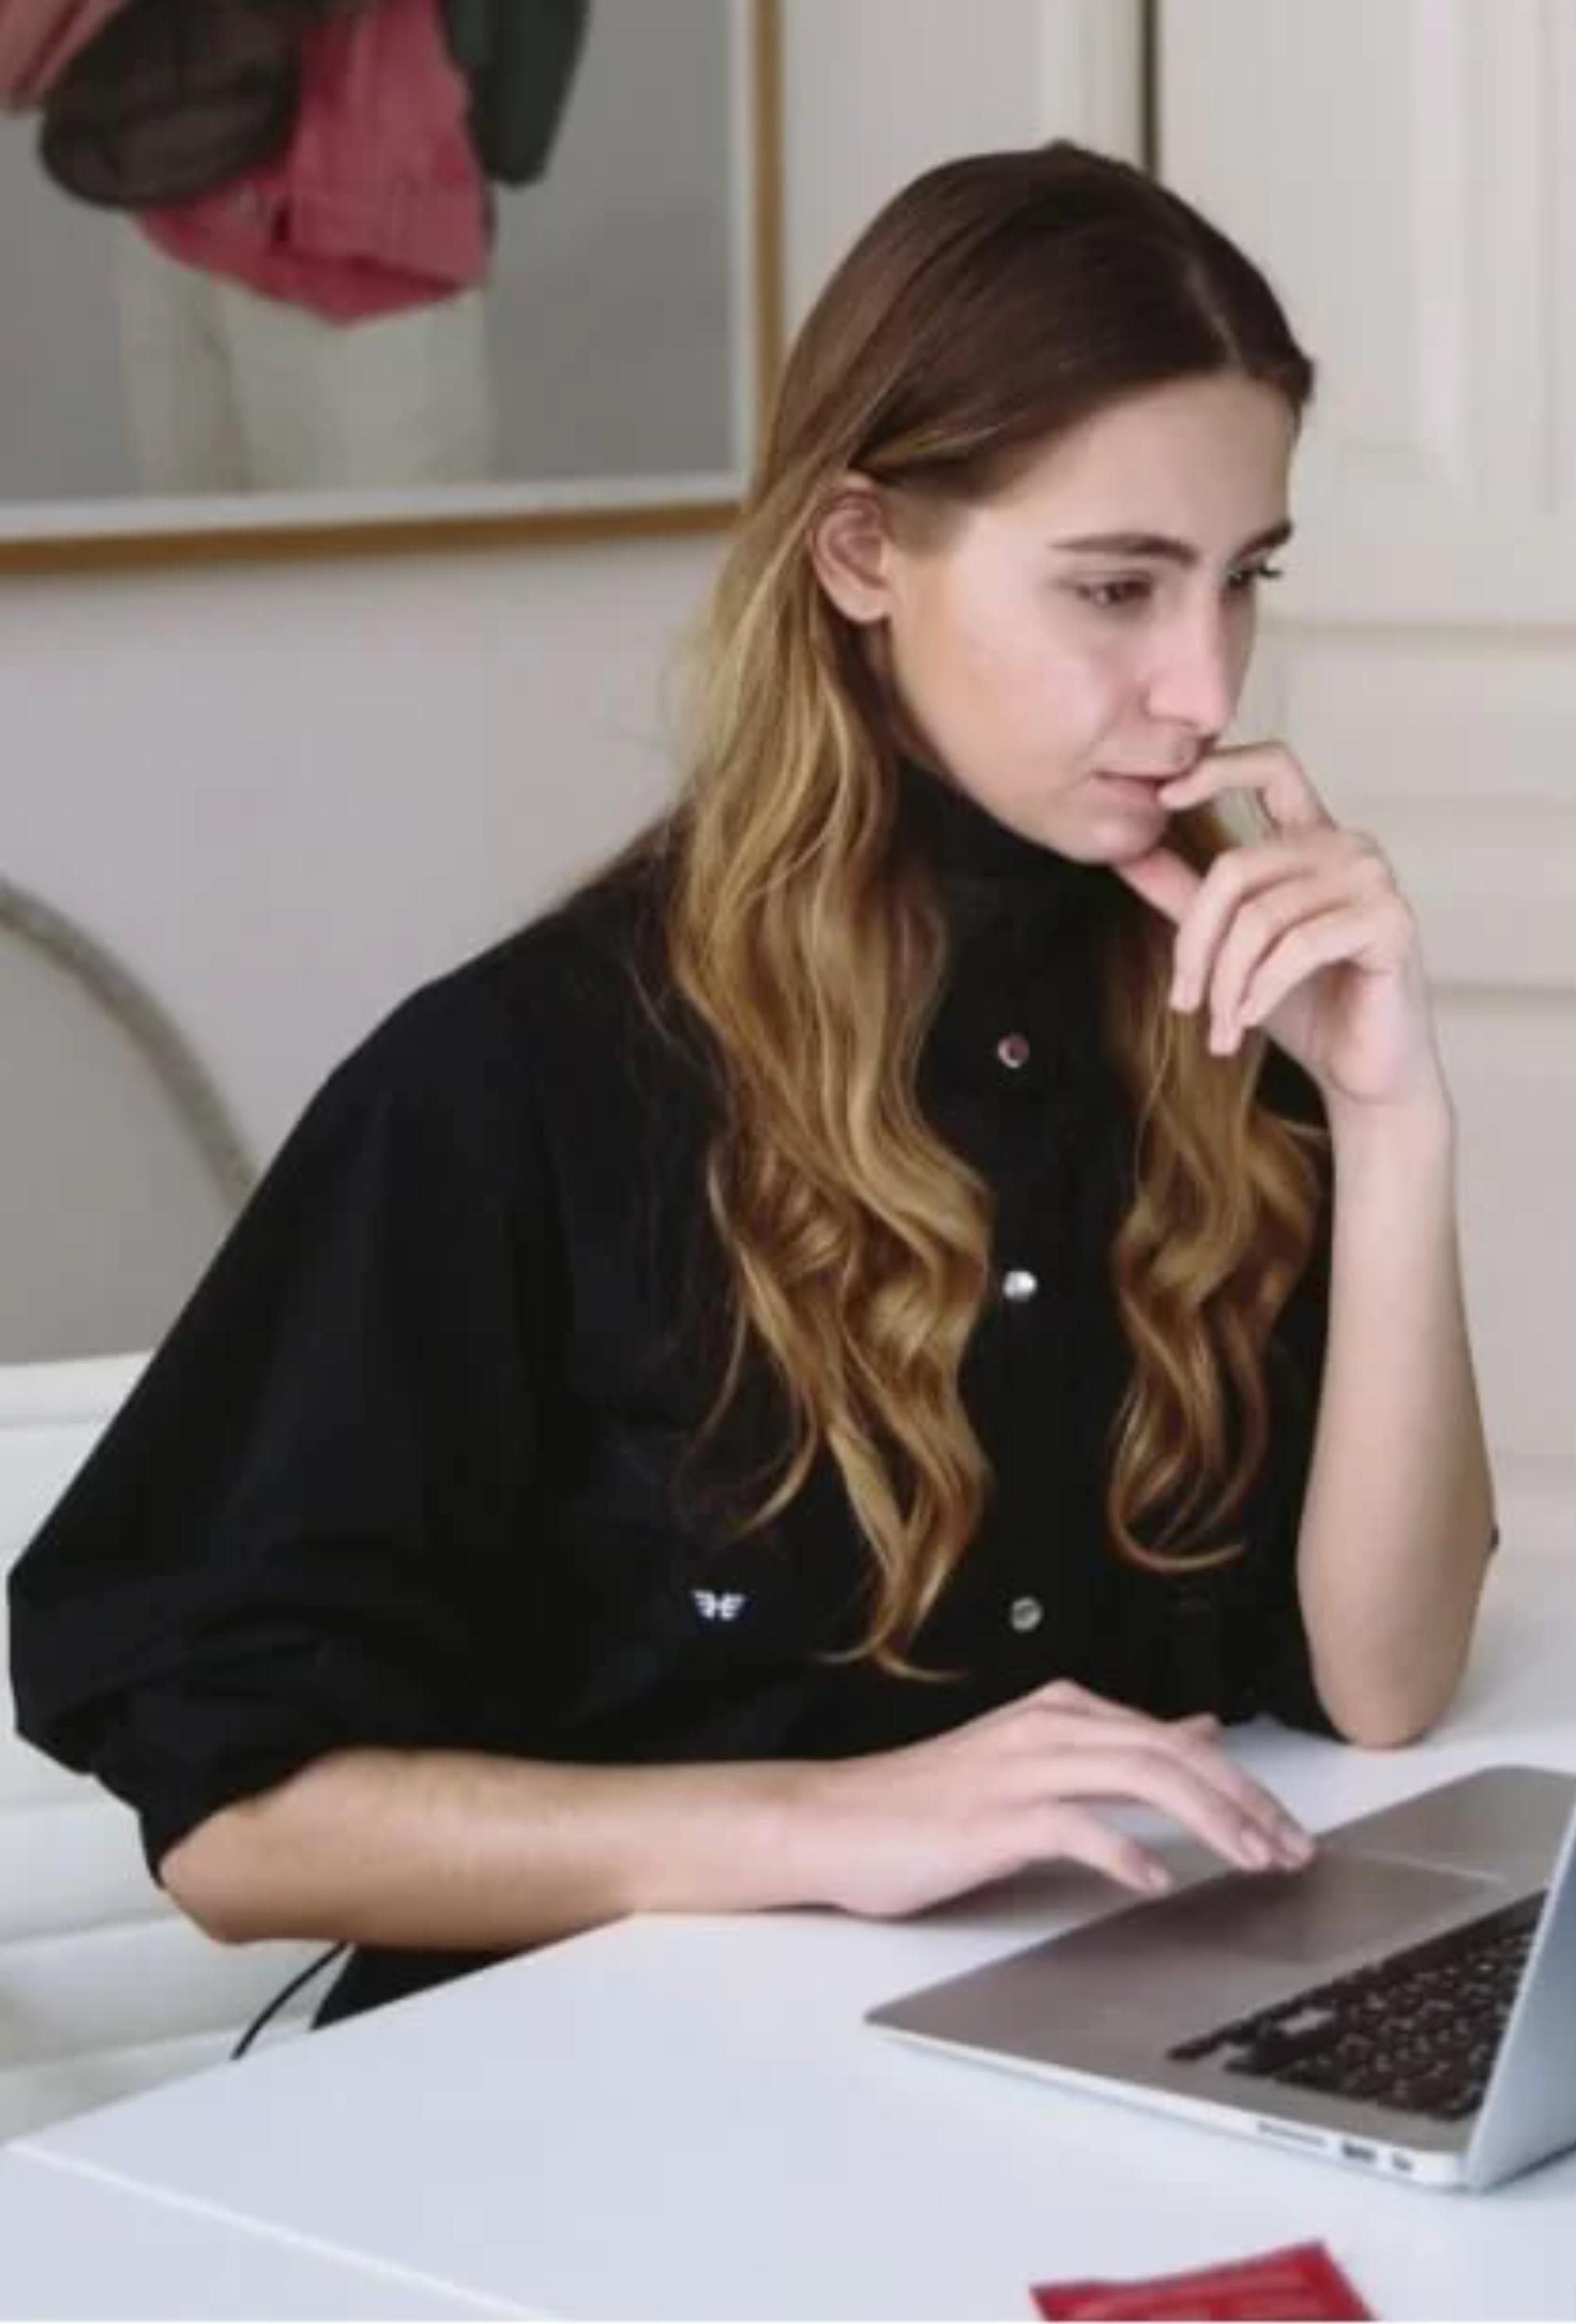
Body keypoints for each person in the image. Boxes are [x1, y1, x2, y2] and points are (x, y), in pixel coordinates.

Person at [8, 145, 1499, 2027]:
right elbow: (232, 1830)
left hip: (1080, 2033)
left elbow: (1383, 1679)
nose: (1202, 687)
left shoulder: (1217, 1012)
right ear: (865, 549)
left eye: (1241, 582)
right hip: (579, 2106)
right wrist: (818, 1821)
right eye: (1116, 588)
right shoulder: (524, 1077)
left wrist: (1391, 1117)